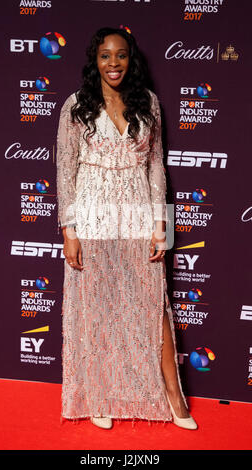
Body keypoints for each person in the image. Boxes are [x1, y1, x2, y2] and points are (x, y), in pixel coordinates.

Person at [56, 26, 197, 431]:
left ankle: (173, 397)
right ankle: (99, 393)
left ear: (130, 60)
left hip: (137, 216)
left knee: (154, 309)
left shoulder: (148, 103)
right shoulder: (76, 105)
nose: (113, 63)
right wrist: (70, 230)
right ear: (94, 60)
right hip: (93, 216)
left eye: (120, 55)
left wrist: (161, 228)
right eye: (105, 55)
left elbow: (156, 168)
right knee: (96, 310)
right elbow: (66, 170)